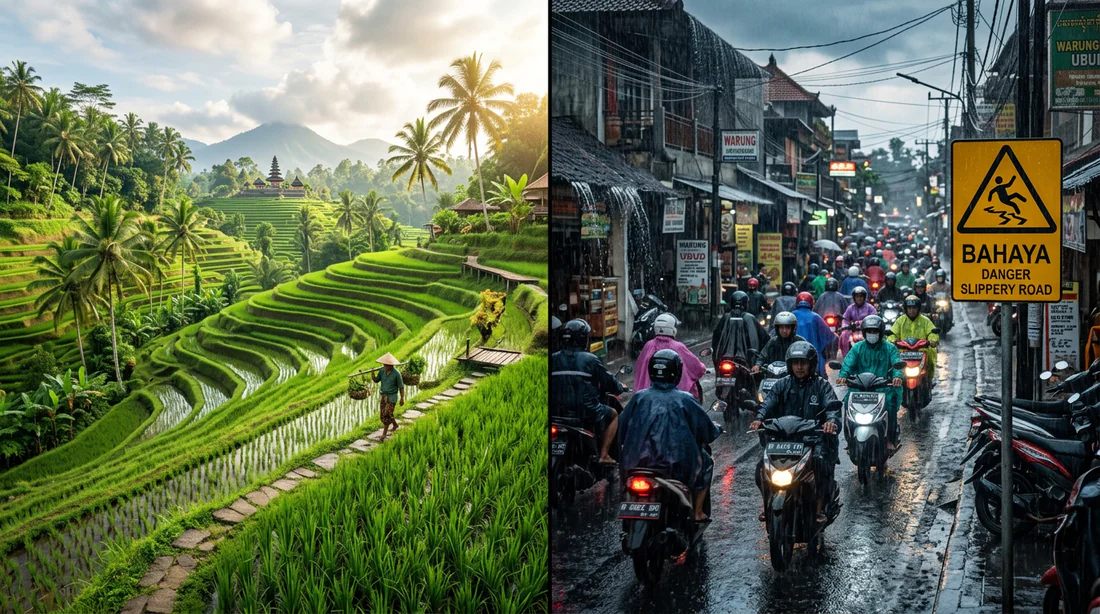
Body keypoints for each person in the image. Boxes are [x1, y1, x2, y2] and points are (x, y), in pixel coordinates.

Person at [619, 349, 721, 522]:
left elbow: (621, 429)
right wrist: (715, 429)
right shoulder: (685, 399)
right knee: (707, 463)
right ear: (677, 372)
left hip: (637, 463)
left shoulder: (639, 397)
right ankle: (697, 512)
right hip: (674, 466)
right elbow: (707, 431)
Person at [751, 341, 840, 523]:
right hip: (784, 438)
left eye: (804, 363)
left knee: (821, 463)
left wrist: (830, 422)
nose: (799, 367)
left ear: (811, 364)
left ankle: (818, 508)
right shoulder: (781, 385)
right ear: (790, 364)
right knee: (762, 467)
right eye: (795, 362)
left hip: (812, 439)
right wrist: (759, 417)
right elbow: (768, 403)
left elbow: (832, 408)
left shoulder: (821, 385)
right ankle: (766, 504)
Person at [551, 319, 624, 464]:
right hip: (585, 411)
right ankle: (604, 455)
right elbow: (610, 384)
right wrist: (620, 387)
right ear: (584, 339)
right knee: (614, 415)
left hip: (558, 412)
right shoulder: (590, 360)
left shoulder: (554, 358)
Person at [837, 316, 904, 450]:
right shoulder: (858, 348)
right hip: (860, 389)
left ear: (881, 332)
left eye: (875, 331)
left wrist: (897, 377)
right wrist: (843, 375)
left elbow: (896, 364)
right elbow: (848, 363)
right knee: (846, 405)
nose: (872, 334)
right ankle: (850, 439)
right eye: (869, 331)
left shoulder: (890, 348)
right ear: (864, 332)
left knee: (890, 406)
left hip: (883, 389)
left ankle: (889, 440)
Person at [634, 313, 707, 401]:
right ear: (673, 330)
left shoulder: (648, 346)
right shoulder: (678, 347)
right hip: (676, 397)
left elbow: (639, 367)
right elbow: (696, 368)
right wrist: (702, 367)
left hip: (647, 397)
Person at [889, 295, 940, 381]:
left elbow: (932, 332)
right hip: (903, 352)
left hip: (921, 351)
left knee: (930, 358)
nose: (912, 310)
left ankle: (928, 380)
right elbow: (892, 333)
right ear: (906, 309)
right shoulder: (900, 321)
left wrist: (932, 341)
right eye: (909, 308)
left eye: (914, 308)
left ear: (918, 308)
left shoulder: (925, 320)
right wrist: (892, 341)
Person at [712, 291, 770, 367]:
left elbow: (716, 336)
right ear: (746, 303)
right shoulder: (750, 318)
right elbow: (764, 337)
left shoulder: (725, 317)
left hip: (725, 359)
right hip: (746, 360)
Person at [792, 292, 837, 375]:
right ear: (812, 303)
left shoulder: (792, 315)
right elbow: (828, 336)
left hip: (793, 357)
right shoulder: (815, 317)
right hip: (813, 359)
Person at [372, 353, 406, 441]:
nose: (386, 366)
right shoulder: (382, 371)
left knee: (386, 414)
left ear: (392, 364)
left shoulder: (396, 374)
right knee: (384, 414)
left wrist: (402, 398)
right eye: (384, 364)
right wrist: (372, 374)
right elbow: (376, 380)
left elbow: (401, 387)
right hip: (383, 396)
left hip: (392, 397)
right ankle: (395, 425)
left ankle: (384, 434)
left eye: (388, 364)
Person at [840, 287, 877, 356]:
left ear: (864, 297)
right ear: (854, 298)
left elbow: (874, 318)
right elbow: (845, 319)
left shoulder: (870, 307)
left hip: (867, 330)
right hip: (853, 330)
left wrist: (865, 323)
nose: (859, 298)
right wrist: (845, 326)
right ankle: (846, 357)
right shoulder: (850, 308)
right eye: (857, 296)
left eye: (861, 296)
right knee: (844, 334)